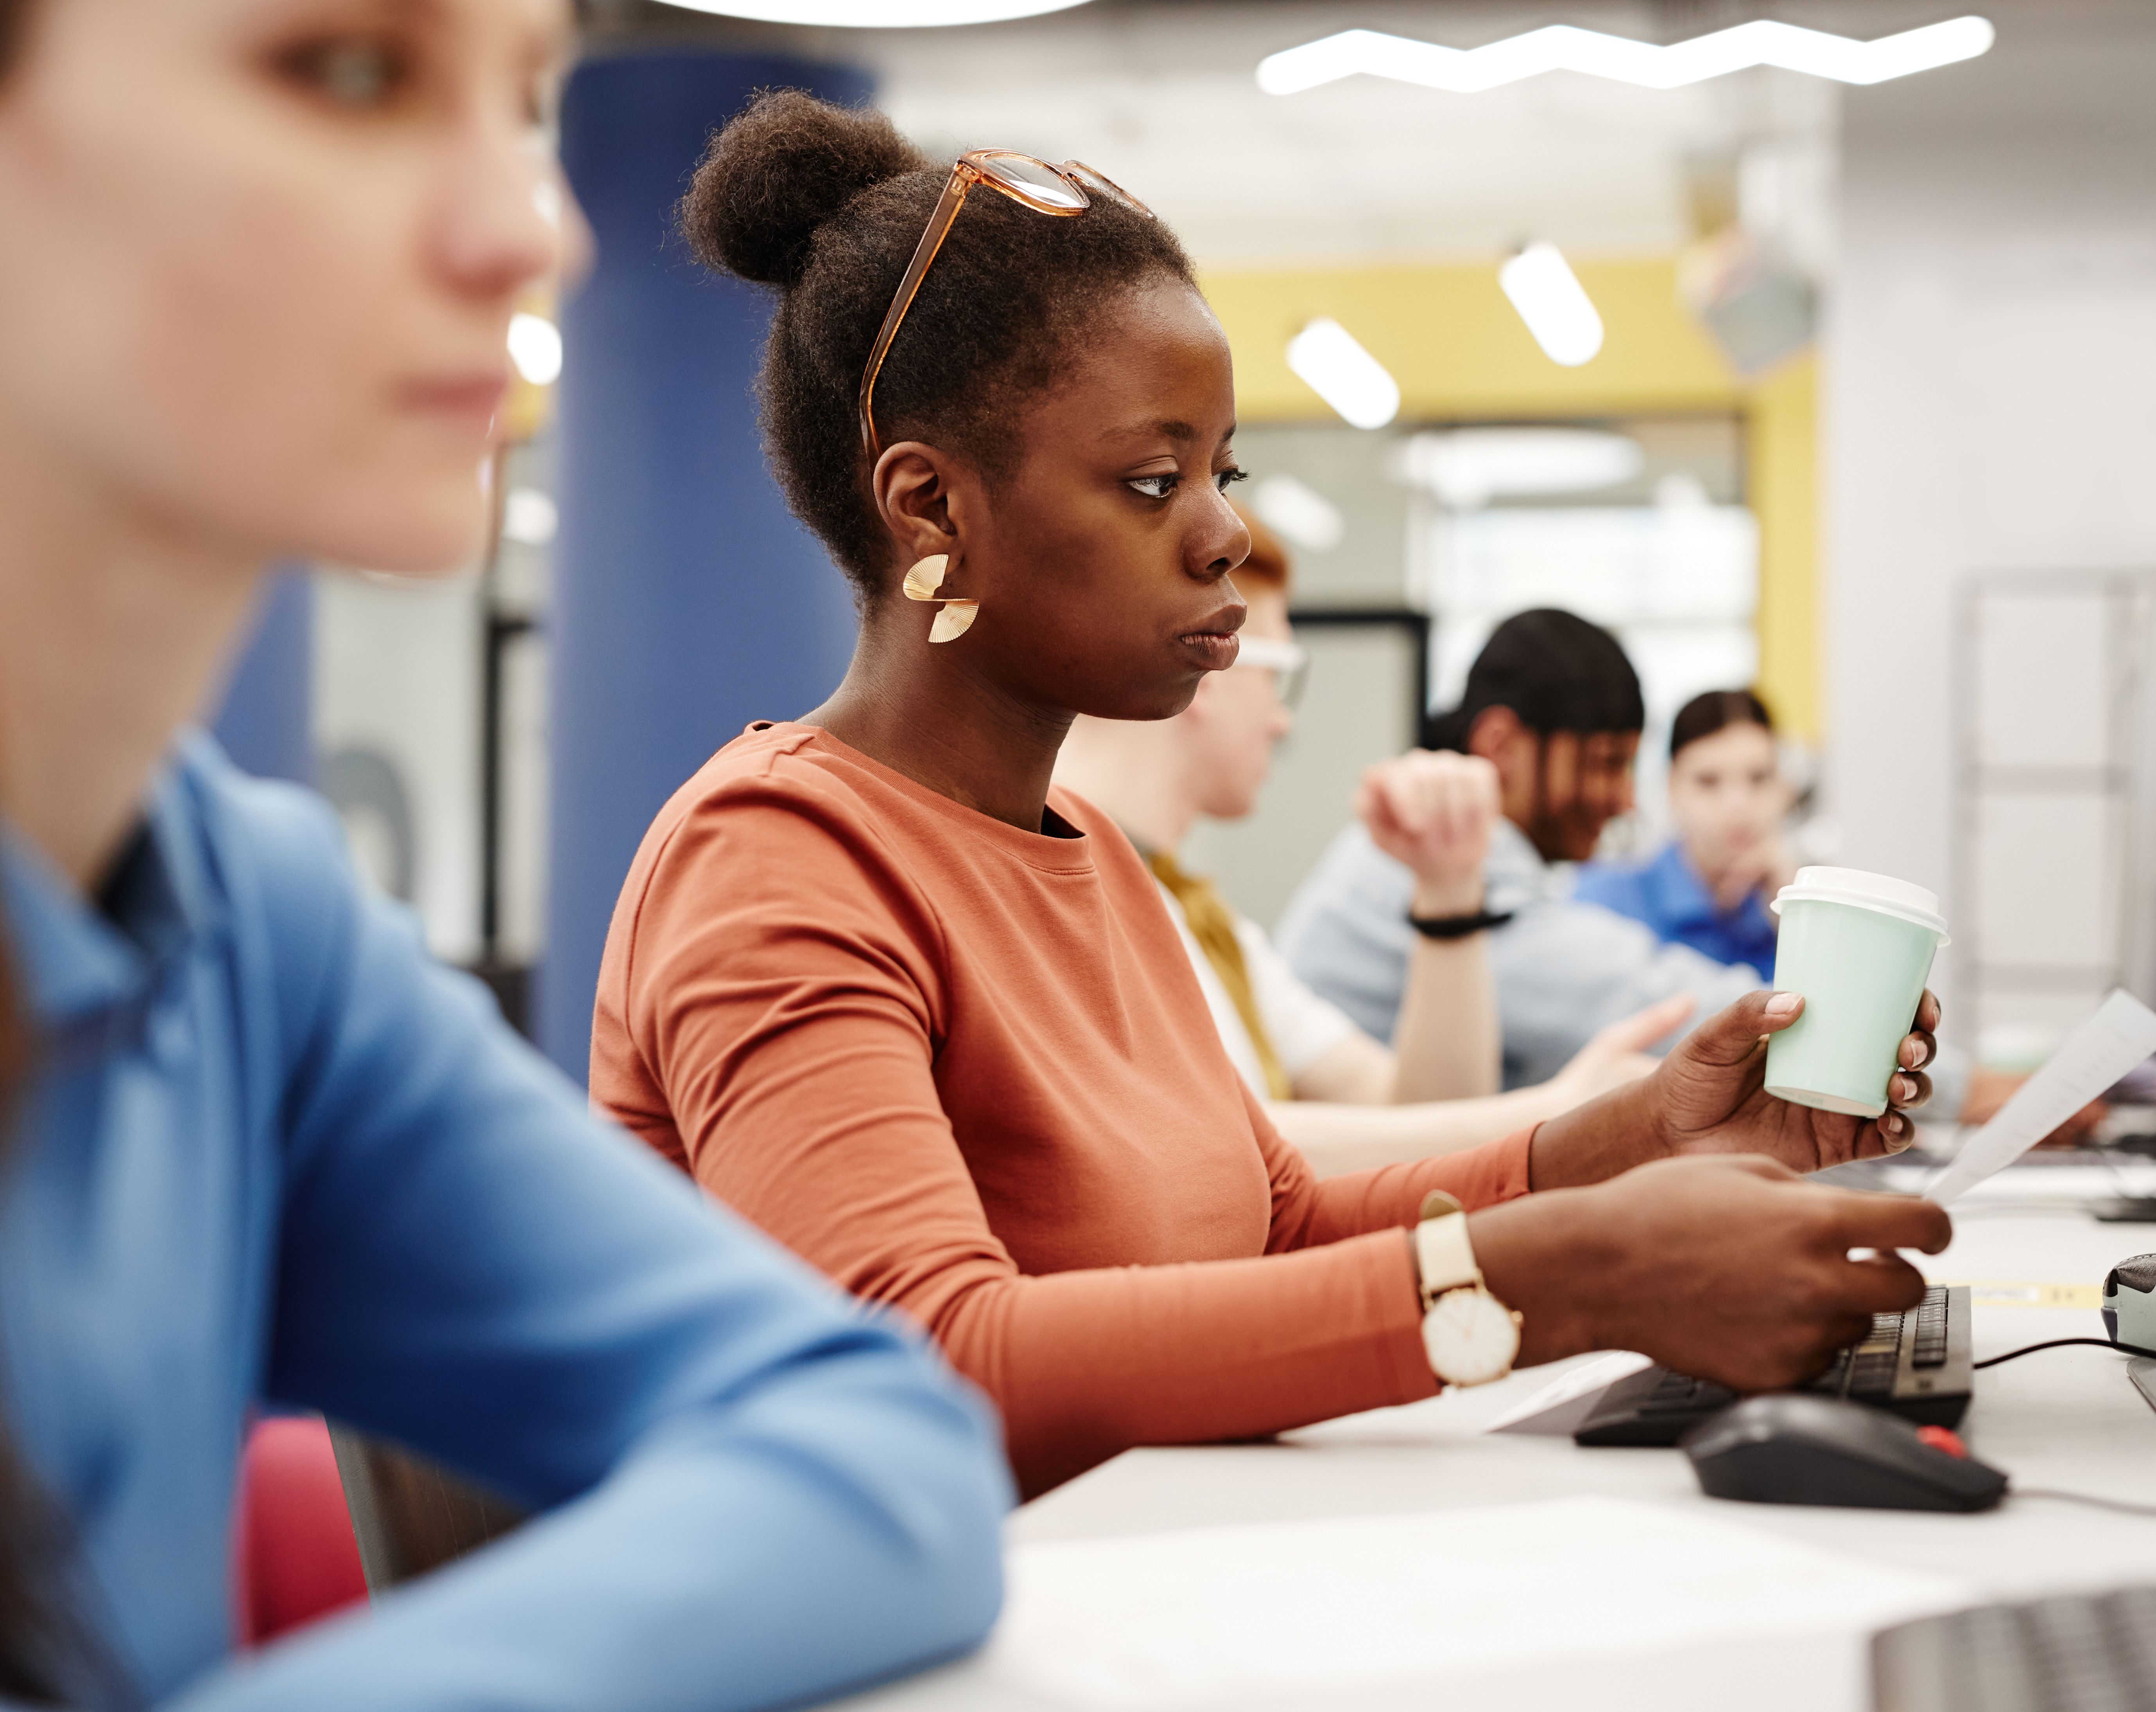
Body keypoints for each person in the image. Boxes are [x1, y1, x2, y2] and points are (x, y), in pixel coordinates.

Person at [591, 92, 1950, 1504]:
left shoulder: (1095, 858)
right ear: (931, 509)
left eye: (1219, 472)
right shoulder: (773, 861)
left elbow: (1275, 1222)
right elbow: (931, 1364)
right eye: (1149, 477)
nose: (1228, 529)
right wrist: (1567, 1281)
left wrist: (1649, 1136)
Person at [0, 5, 1007, 1707]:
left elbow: (880, 1441)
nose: (531, 224)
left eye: (521, 98)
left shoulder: (248, 925)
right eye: (346, 71)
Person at [1050, 511, 1676, 1175]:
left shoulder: (1206, 923)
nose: (1281, 721)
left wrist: (1450, 892)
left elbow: (1417, 1115)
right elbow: (1205, 1148)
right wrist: (1556, 1114)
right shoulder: (1059, 891)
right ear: (1206, 662)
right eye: (1278, 675)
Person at [1279, 611, 1766, 1089]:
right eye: (1604, 763)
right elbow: (1650, 1005)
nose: (1625, 798)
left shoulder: (1441, 846)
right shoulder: (1429, 851)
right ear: (1501, 746)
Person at [1575, 689, 1796, 981]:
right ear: (1672, 787)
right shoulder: (1601, 902)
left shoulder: (1782, 912)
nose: (1738, 804)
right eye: (1708, 781)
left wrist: (1798, 914)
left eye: (1759, 778)